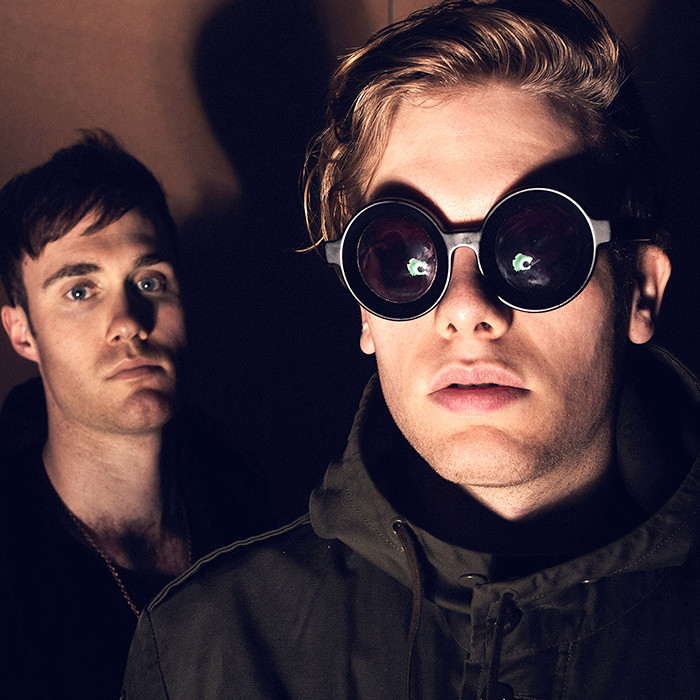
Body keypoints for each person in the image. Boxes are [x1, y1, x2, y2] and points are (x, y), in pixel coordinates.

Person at [123, 1, 700, 698]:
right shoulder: (205, 651)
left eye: (537, 248)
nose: (465, 308)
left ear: (640, 290)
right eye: (404, 257)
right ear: (365, 310)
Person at [0, 131, 268, 699]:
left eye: (149, 282)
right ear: (22, 333)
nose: (128, 321)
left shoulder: (259, 506)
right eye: (80, 291)